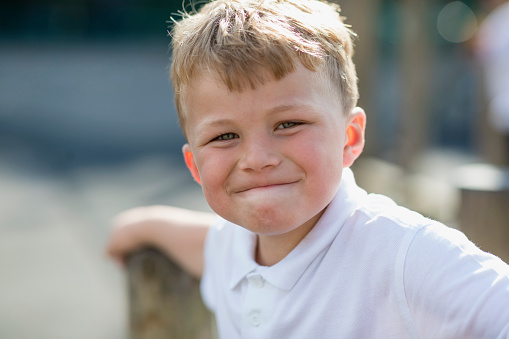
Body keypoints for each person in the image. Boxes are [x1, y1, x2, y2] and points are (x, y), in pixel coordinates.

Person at [107, 0, 509, 337]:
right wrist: (140, 225)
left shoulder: (402, 254)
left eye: (288, 124)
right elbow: (208, 244)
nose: (257, 158)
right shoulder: (235, 248)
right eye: (225, 137)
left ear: (349, 138)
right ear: (195, 166)